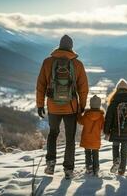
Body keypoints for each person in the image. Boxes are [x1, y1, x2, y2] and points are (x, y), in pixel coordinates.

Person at [36, 35, 89, 179]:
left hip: (53, 107)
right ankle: (68, 169)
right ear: (71, 47)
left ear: (59, 45)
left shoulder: (47, 62)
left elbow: (40, 85)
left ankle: (50, 164)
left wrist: (40, 104)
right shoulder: (77, 64)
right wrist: (82, 106)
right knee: (70, 138)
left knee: (53, 133)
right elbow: (83, 88)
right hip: (71, 108)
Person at [104, 79, 127, 176]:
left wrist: (106, 131)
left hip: (116, 131)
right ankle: (121, 171)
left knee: (115, 147)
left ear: (117, 89)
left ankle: (116, 161)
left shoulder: (114, 101)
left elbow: (108, 118)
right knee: (124, 150)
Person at [77, 95, 105, 177]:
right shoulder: (101, 117)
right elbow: (103, 126)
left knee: (88, 153)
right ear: (99, 105)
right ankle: (96, 168)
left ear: (90, 104)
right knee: (96, 154)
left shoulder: (86, 115)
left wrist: (78, 114)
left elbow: (80, 121)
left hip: (86, 139)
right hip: (96, 139)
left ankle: (89, 167)